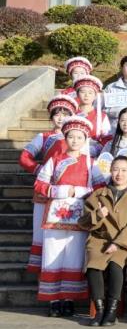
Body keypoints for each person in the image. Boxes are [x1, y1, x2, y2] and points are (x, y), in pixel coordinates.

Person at [34, 116, 103, 317]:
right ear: (65, 138)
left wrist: (80, 192)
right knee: (52, 256)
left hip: (79, 216)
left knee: (74, 257)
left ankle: (69, 298)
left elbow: (100, 187)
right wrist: (61, 190)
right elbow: (39, 185)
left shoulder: (91, 163)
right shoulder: (54, 160)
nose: (75, 141)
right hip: (55, 216)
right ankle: (53, 300)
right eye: (71, 137)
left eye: (79, 137)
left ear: (85, 140)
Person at [80, 156, 127, 326]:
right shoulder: (99, 194)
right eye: (116, 169)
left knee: (116, 264)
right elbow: (83, 221)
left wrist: (117, 243)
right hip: (100, 239)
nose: (119, 174)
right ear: (110, 171)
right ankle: (99, 309)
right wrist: (98, 215)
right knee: (93, 265)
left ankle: (111, 310)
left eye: (124, 170)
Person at [19, 95, 78, 274]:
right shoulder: (43, 136)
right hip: (46, 190)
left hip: (69, 192)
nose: (60, 118)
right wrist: (40, 170)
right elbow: (24, 157)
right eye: (57, 114)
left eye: (65, 114)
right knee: (42, 232)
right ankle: (43, 274)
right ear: (51, 117)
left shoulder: (78, 137)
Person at [73, 75, 112, 150]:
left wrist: (97, 148)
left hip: (94, 152)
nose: (86, 95)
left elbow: (107, 138)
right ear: (77, 94)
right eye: (83, 92)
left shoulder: (102, 116)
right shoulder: (71, 114)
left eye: (90, 93)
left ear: (95, 96)